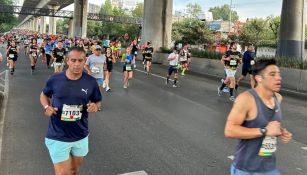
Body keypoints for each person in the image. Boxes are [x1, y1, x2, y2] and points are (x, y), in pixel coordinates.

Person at [39, 46, 102, 175]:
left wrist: (95, 106)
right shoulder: (55, 79)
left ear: (85, 61)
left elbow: (97, 100)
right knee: (62, 173)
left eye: (80, 60)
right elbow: (44, 94)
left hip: (80, 134)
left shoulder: (91, 82)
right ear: (67, 60)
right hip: (57, 135)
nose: (77, 64)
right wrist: (47, 107)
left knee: (74, 171)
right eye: (73, 60)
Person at [224, 58, 292, 175]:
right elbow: (229, 130)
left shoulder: (278, 98)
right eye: (272, 74)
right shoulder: (246, 99)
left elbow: (266, 124)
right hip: (246, 169)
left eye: (278, 74)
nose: (278, 78)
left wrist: (280, 132)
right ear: (259, 78)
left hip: (269, 167)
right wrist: (264, 131)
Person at [84, 45, 106, 110]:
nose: (99, 51)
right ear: (93, 50)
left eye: (99, 49)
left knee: (98, 91)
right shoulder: (90, 57)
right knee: (90, 90)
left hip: (100, 76)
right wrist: (89, 71)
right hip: (92, 76)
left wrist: (105, 71)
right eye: (97, 49)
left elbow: (104, 65)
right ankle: (89, 103)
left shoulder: (103, 57)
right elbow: (85, 65)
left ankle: (97, 105)